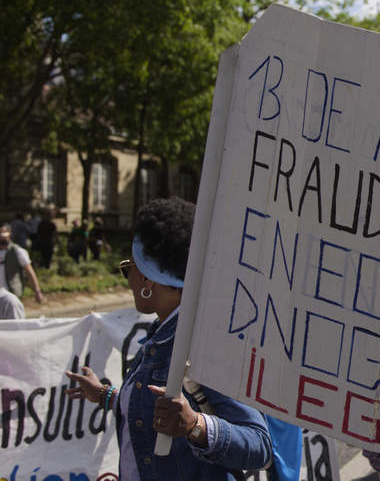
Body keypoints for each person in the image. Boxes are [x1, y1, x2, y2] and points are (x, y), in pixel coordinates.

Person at [65, 197, 301, 480]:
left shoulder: (202, 345)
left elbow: (259, 445)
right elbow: (155, 412)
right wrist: (105, 396)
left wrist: (195, 425)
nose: (127, 279)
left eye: (129, 268)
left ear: (148, 280)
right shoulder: (160, 338)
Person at [0, 224, 44, 303]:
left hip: (12, 293)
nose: (2, 236)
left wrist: (37, 291)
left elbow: (29, 272)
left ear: (9, 234)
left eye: (4, 233)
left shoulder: (17, 251)